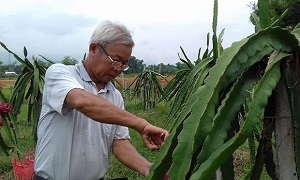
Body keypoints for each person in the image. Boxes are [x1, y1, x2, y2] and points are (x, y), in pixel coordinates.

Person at [34, 20, 169, 180]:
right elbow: (82, 102)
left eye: (124, 64)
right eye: (115, 60)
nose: (118, 68)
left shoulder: (115, 96)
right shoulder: (60, 74)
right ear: (93, 48)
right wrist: (142, 125)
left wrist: (149, 169)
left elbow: (119, 143)